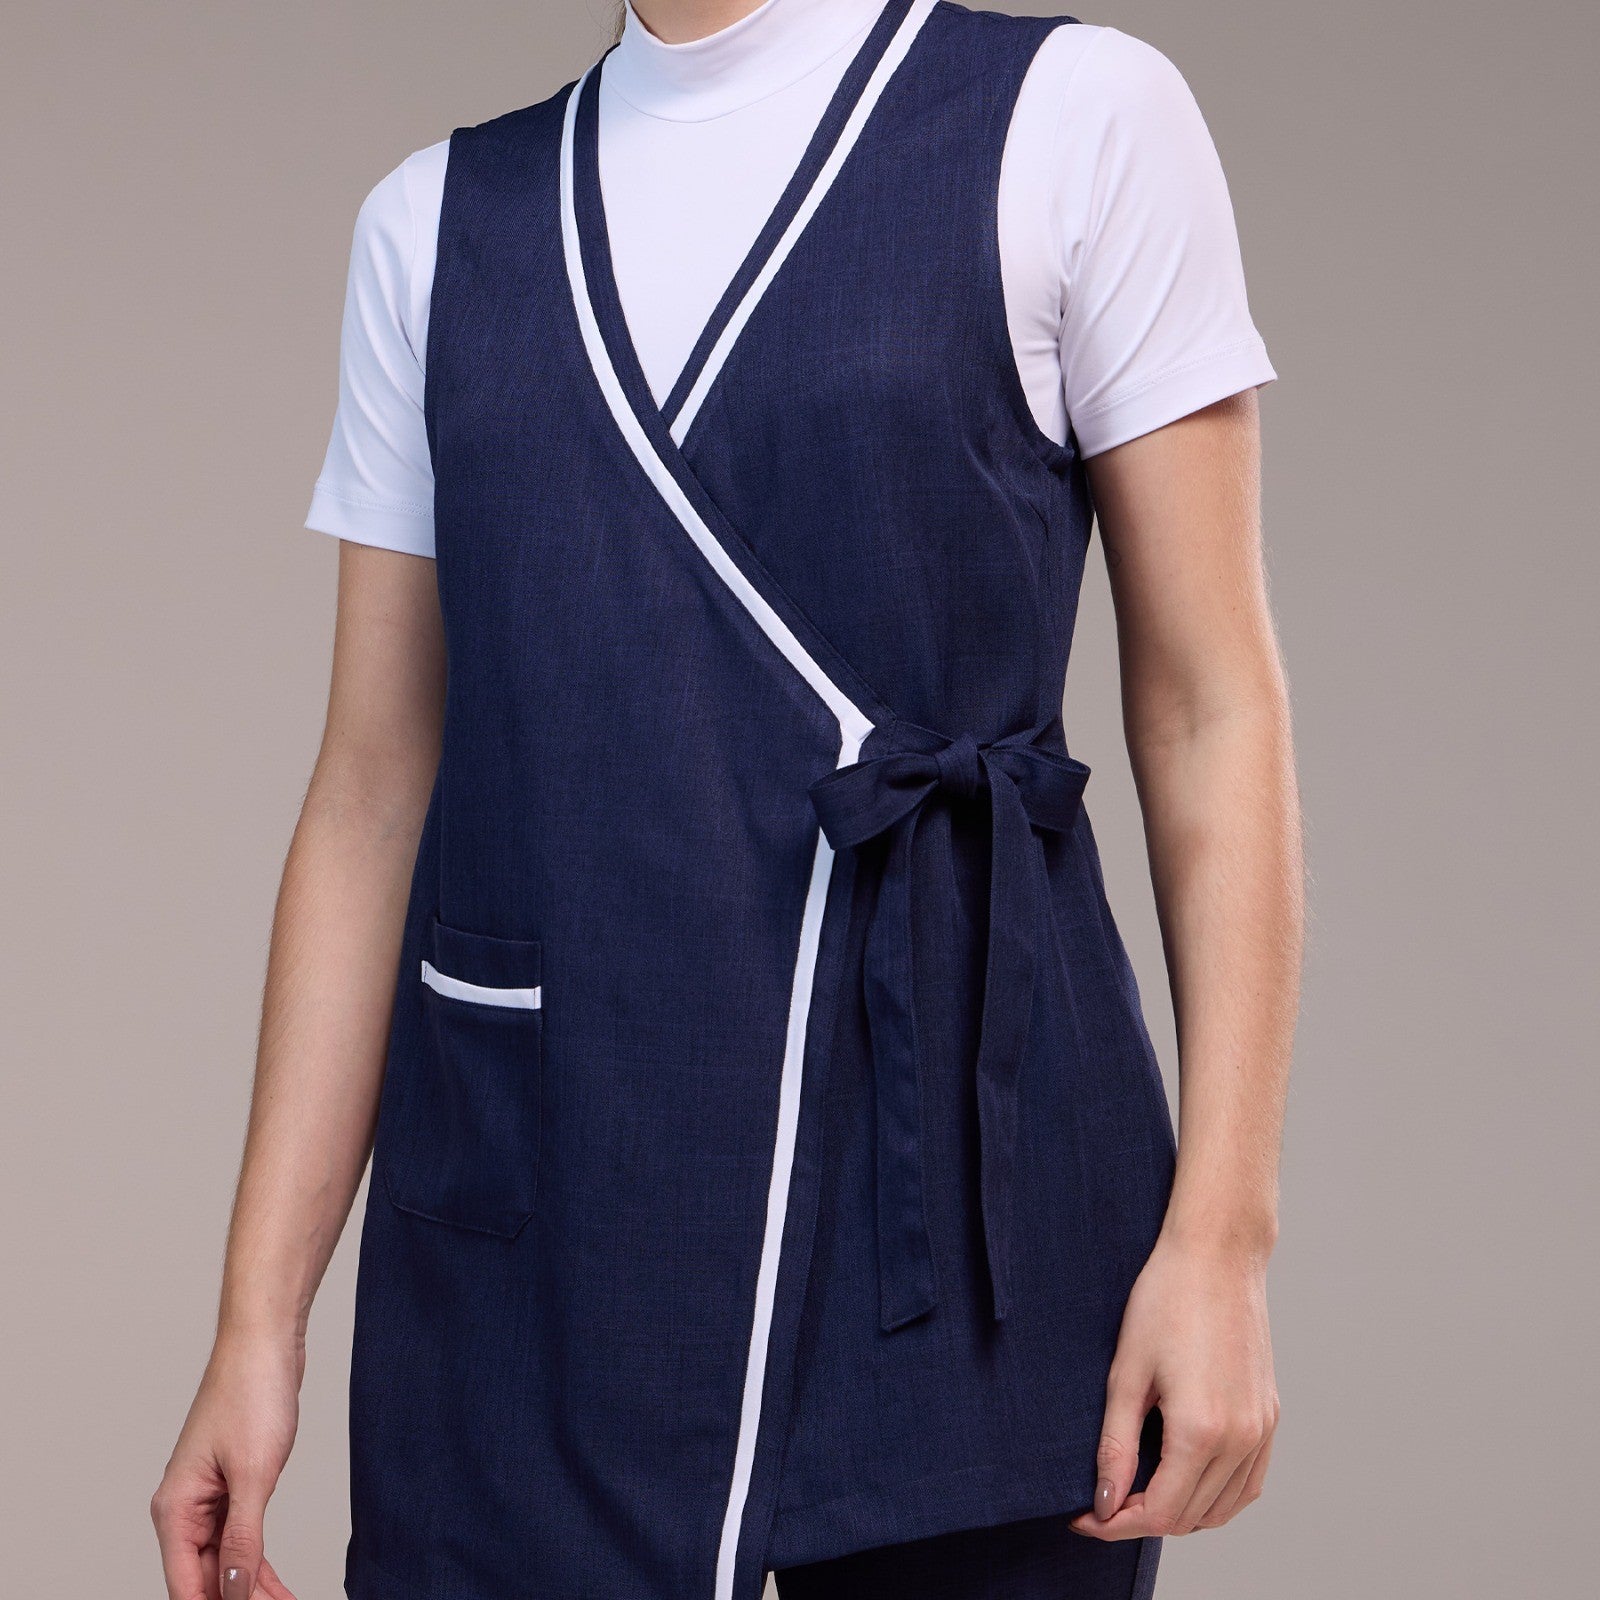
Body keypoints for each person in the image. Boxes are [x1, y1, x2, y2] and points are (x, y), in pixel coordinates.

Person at [152, 2, 1301, 1597]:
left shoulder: (1072, 117)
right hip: (550, 1210)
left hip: (956, 1204)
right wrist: (256, 1326)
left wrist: (1223, 1240)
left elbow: (1208, 704)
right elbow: (370, 791)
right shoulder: (438, 226)